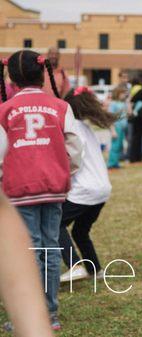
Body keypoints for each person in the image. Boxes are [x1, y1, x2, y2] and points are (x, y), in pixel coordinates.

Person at [0, 50, 83, 331]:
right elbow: (74, 146)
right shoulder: (59, 106)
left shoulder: (5, 109)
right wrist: (64, 171)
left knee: (29, 250)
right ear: (42, 72)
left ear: (11, 76)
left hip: (20, 188)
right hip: (54, 188)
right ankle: (50, 314)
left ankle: (30, 316)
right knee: (50, 248)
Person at [59, 87, 116, 283]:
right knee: (80, 231)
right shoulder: (86, 128)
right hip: (102, 190)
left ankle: (75, 265)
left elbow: (73, 160)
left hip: (84, 190)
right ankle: (96, 270)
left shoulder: (71, 128)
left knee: (56, 223)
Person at [0, 192, 54, 337]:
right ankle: (51, 311)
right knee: (50, 246)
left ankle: (49, 311)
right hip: (54, 191)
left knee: (38, 247)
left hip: (25, 194)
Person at [107, 86, 128, 169]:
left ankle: (116, 163)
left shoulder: (123, 103)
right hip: (116, 127)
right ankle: (111, 164)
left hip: (122, 127)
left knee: (120, 146)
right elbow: (110, 117)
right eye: (122, 93)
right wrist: (112, 130)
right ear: (118, 94)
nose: (124, 95)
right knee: (115, 146)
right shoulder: (113, 104)